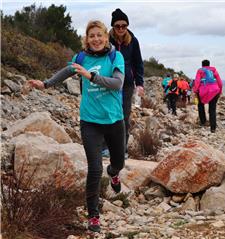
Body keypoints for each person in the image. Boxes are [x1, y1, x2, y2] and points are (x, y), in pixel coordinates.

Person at [28, 20, 125, 233]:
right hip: (90, 122)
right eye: (92, 36)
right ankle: (93, 216)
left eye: (99, 35)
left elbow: (117, 83)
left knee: (119, 162)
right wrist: (45, 84)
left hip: (115, 120)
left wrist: (91, 76)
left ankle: (114, 172)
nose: (96, 39)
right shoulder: (81, 58)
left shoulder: (115, 56)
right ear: (87, 39)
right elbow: (67, 71)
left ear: (106, 37)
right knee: (95, 169)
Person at [109, 8, 144, 157]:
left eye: (124, 25)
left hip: (127, 84)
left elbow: (138, 63)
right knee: (108, 114)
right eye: (118, 26)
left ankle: (122, 149)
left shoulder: (133, 40)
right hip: (109, 83)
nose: (121, 29)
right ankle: (106, 147)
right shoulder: (106, 40)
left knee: (124, 116)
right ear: (113, 26)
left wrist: (140, 83)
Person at [192, 59, 223, 133]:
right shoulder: (214, 70)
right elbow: (220, 82)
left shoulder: (200, 70)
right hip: (215, 91)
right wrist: (220, 91)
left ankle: (203, 122)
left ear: (202, 65)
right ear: (209, 64)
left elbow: (197, 81)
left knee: (200, 105)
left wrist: (195, 91)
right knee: (212, 109)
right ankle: (213, 128)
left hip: (203, 91)